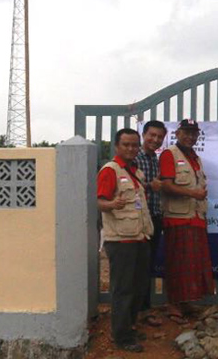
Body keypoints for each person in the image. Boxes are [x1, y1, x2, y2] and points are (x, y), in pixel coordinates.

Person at [97, 128, 154, 353]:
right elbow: (99, 202)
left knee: (138, 287)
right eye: (126, 145)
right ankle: (121, 336)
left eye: (134, 145)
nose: (131, 149)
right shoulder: (110, 171)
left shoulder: (135, 172)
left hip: (139, 238)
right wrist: (112, 205)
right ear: (117, 147)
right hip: (120, 241)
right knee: (123, 289)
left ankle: (128, 328)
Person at [158, 118, 213, 323]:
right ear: (177, 134)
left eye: (193, 133)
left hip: (195, 217)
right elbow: (166, 185)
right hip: (178, 218)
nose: (190, 136)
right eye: (186, 132)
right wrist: (192, 193)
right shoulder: (168, 155)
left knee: (191, 264)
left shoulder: (195, 157)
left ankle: (185, 301)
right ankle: (173, 304)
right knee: (177, 263)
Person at [136, 120, 167, 327]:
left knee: (146, 266)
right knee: (137, 267)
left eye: (159, 137)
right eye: (152, 135)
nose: (155, 140)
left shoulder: (155, 159)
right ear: (144, 134)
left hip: (155, 218)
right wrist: (151, 185)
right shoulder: (134, 158)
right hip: (138, 221)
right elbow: (130, 187)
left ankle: (144, 309)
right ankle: (137, 311)